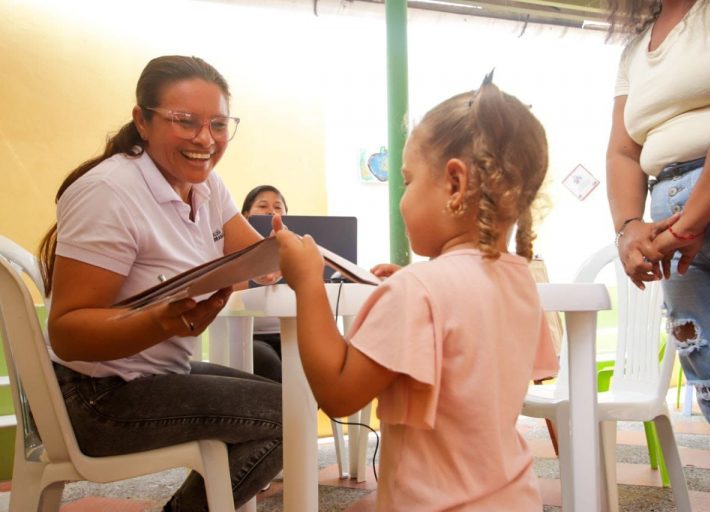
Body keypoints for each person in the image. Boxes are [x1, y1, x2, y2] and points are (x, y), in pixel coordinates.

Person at [276, 76, 559, 510]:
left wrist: (308, 284)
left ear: (454, 184)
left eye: (407, 181)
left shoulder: (420, 291)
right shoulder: (521, 282)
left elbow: (338, 393)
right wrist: (411, 285)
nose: (402, 198)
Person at [38, 55, 283, 511]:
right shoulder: (109, 192)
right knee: (289, 416)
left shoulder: (207, 187)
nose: (205, 140)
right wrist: (163, 324)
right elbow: (67, 332)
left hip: (152, 376)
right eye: (185, 122)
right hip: (92, 397)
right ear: (143, 121)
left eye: (219, 125)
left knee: (286, 406)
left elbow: (254, 256)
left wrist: (287, 253)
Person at [605, 1, 710, 509]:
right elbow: (622, 151)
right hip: (670, 225)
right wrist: (629, 229)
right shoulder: (637, 45)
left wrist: (691, 220)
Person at [240, 184, 289, 382]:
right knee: (266, 363)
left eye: (278, 207)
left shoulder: (297, 249)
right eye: (263, 206)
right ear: (245, 216)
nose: (271, 211)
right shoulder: (234, 251)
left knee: (314, 361)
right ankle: (279, 412)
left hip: (291, 332)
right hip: (252, 336)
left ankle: (299, 412)